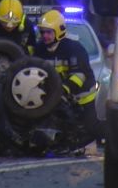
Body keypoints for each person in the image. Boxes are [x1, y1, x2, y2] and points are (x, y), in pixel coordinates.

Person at [33, 10, 103, 143]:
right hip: (57, 96)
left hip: (82, 97)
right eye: (42, 32)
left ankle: (111, 138)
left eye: (49, 32)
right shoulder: (40, 49)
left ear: (59, 32)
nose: (45, 36)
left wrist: (63, 90)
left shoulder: (73, 49)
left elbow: (79, 76)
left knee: (91, 129)